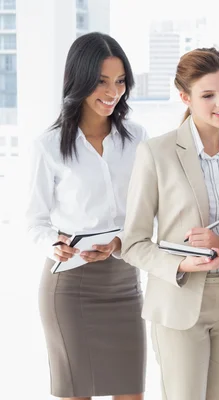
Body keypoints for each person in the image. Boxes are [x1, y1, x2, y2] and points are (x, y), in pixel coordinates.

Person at [121, 47, 219, 400]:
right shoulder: (156, 153)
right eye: (208, 95)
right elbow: (133, 242)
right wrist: (180, 263)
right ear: (185, 97)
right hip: (180, 300)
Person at [25, 32, 147, 400]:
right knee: (77, 394)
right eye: (101, 82)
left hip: (125, 282)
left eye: (120, 81)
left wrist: (119, 242)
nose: (113, 92)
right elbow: (34, 221)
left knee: (131, 393)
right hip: (70, 287)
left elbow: (147, 213)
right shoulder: (48, 147)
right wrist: (54, 244)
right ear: (78, 80)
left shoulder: (137, 140)